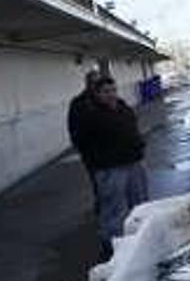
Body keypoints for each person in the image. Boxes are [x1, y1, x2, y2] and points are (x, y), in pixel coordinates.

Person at [66, 76, 148, 259]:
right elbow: (80, 140)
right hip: (110, 169)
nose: (111, 95)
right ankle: (113, 247)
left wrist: (139, 144)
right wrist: (97, 161)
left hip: (134, 163)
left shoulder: (122, 106)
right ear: (97, 92)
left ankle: (141, 238)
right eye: (106, 91)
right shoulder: (88, 112)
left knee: (140, 203)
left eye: (113, 90)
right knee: (114, 209)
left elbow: (133, 127)